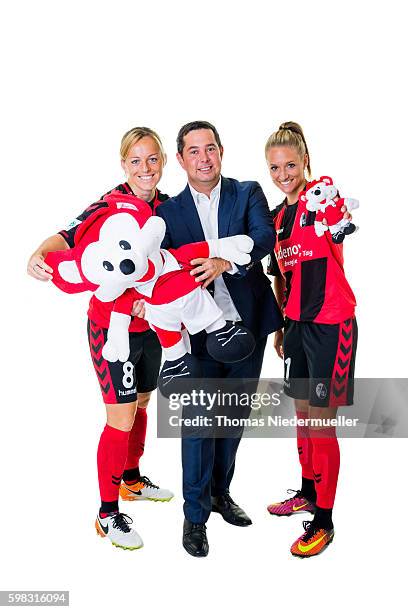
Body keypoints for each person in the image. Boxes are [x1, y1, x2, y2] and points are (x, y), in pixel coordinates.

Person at [27, 127, 174, 551]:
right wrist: (37, 254)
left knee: (143, 402)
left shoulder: (169, 208)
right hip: (112, 330)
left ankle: (130, 479)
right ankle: (107, 513)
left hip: (151, 329)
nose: (144, 169)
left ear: (163, 161)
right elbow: (67, 235)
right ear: (123, 164)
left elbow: (173, 264)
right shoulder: (108, 204)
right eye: (135, 161)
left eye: (152, 160)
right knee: (120, 416)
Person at [155, 120, 283, 557]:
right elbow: (161, 269)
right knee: (197, 426)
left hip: (247, 327)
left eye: (210, 148)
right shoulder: (168, 213)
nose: (203, 158)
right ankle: (194, 518)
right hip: (196, 332)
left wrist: (223, 261)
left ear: (221, 151)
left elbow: (264, 237)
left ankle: (219, 494)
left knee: (231, 421)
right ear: (181, 159)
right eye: (194, 151)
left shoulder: (246, 192)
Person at [265, 122, 358, 557]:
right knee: (303, 418)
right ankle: (306, 490)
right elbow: (280, 278)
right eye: (275, 167)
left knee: (322, 425)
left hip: (332, 326)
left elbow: (339, 216)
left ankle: (324, 520)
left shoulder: (320, 198)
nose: (283, 173)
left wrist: (330, 201)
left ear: (305, 162)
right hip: (298, 328)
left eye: (290, 164)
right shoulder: (277, 220)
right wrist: (283, 326)